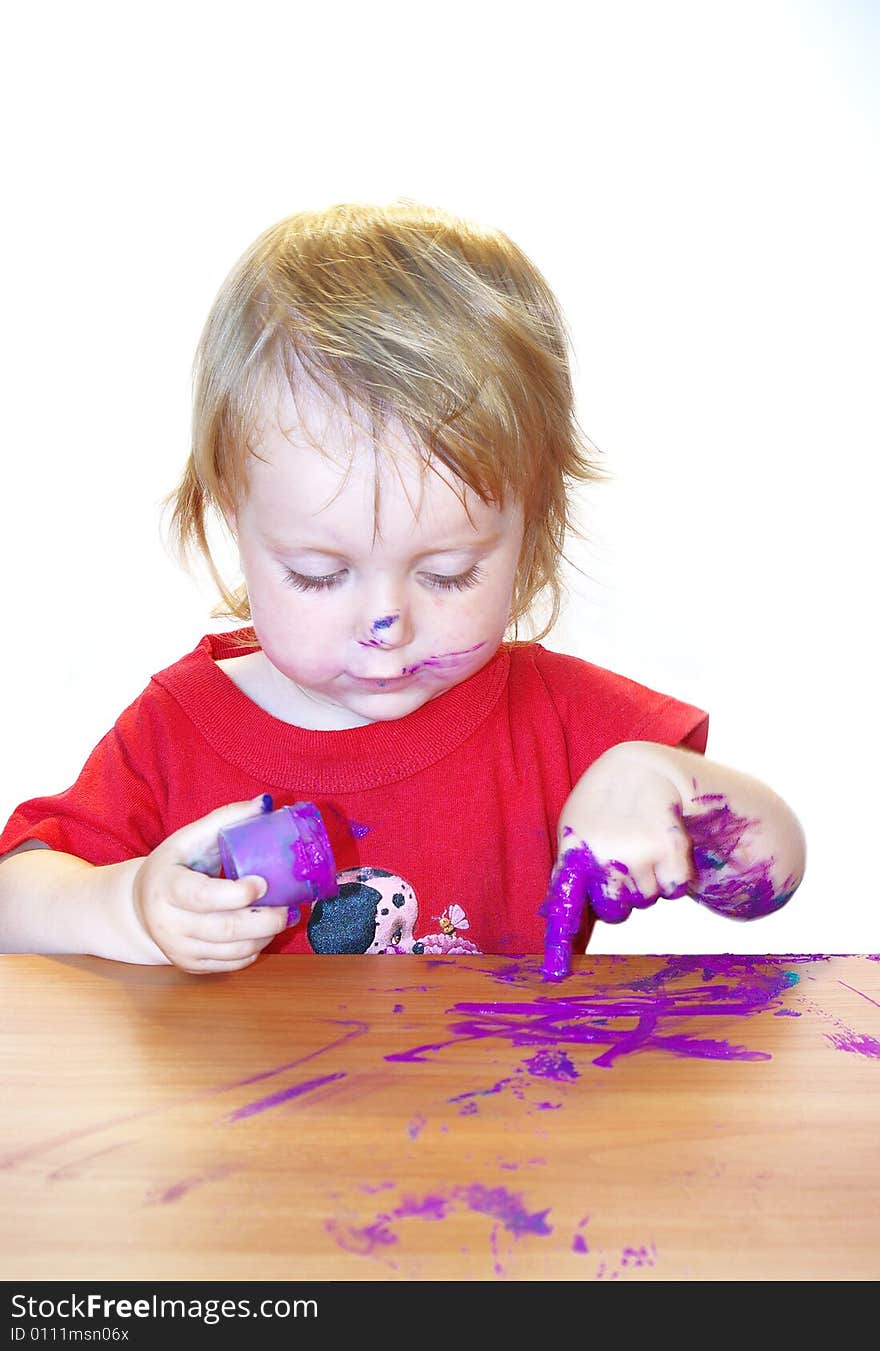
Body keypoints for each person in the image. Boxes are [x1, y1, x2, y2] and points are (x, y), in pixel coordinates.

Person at [0, 200, 806, 973]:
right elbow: (14, 902)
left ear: (531, 528)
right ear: (231, 519)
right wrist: (131, 905)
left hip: (506, 1107)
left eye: (447, 572)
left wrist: (674, 790)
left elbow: (776, 871)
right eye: (319, 574)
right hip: (242, 1116)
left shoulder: (556, 721)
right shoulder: (178, 732)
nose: (387, 623)